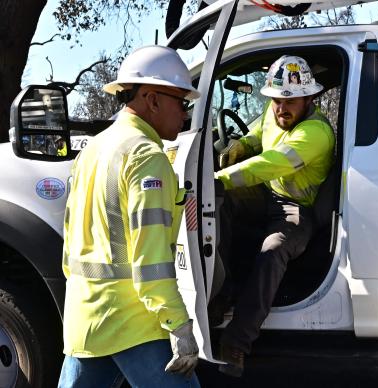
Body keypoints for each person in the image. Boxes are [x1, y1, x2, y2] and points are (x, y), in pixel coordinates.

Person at [58, 45, 201, 387]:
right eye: (182, 102)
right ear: (152, 100)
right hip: (133, 323)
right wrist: (179, 326)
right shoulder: (147, 157)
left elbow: (69, 242)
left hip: (86, 319)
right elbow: (150, 262)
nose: (185, 114)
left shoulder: (93, 149)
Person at [213, 55, 335, 377]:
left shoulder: (317, 133)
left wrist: (218, 178)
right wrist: (241, 145)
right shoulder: (275, 112)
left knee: (274, 249)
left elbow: (271, 162)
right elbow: (259, 134)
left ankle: (236, 343)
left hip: (296, 208)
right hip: (265, 194)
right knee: (217, 202)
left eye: (290, 100)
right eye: (276, 100)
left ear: (309, 98)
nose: (281, 108)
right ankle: (220, 293)